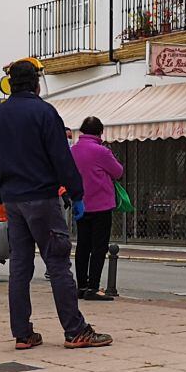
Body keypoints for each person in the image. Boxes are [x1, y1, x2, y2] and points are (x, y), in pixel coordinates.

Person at [0, 60, 112, 350]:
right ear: (36, 83)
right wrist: (78, 194)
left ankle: (23, 333)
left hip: (13, 201)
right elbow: (61, 158)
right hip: (41, 198)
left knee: (19, 266)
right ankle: (75, 330)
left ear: (11, 84)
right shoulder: (45, 112)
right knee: (57, 263)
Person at [71, 116, 123, 301]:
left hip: (81, 205)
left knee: (82, 246)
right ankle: (93, 287)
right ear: (100, 132)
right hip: (101, 206)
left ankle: (81, 286)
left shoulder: (73, 150)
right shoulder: (102, 152)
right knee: (98, 247)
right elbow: (118, 172)